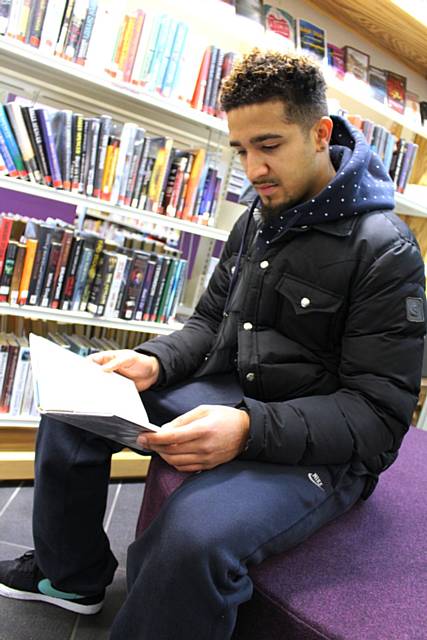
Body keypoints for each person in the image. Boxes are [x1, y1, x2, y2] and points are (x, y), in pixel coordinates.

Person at [0, 49, 425, 640]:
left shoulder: (386, 250)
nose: (252, 169)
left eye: (269, 146)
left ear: (320, 132)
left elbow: (380, 417)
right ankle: (70, 577)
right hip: (239, 391)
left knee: (191, 540)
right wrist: (152, 361)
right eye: (242, 150)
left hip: (321, 450)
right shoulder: (259, 216)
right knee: (78, 406)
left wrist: (249, 430)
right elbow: (209, 323)